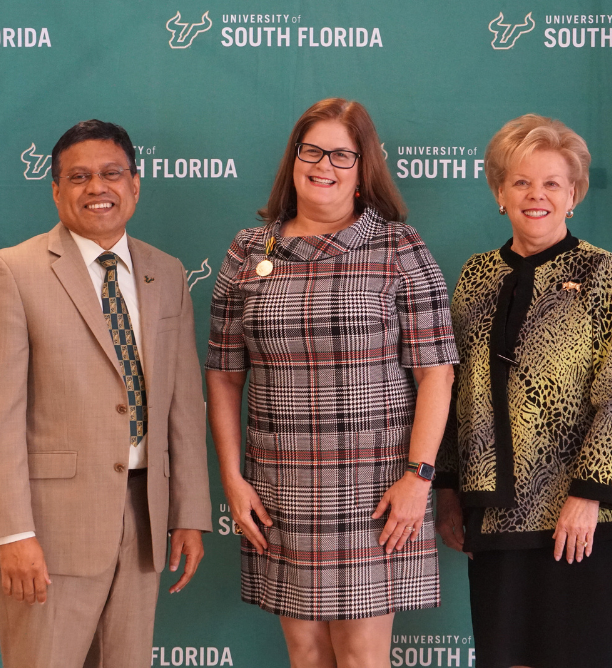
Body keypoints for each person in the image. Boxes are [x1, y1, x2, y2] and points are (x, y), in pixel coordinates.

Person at [206, 98, 458, 668]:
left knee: (362, 655)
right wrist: (231, 477)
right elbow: (223, 377)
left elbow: (436, 374)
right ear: (294, 159)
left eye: (342, 154)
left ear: (363, 167)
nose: (325, 165)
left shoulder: (399, 247)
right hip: (280, 485)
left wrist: (419, 478)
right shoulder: (248, 251)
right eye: (312, 150)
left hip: (377, 488)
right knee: (306, 651)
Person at [0, 119, 212, 668]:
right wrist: (13, 533)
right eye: (78, 177)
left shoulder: (167, 272)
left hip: (145, 524)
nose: (97, 188)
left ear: (136, 184)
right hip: (50, 533)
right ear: (56, 189)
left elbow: (181, 408)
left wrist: (189, 510)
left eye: (110, 174)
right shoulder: (11, 272)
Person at [434, 114, 612, 668]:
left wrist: (587, 495)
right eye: (521, 182)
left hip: (580, 519)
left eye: (552, 183)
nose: (537, 195)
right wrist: (448, 490)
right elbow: (453, 392)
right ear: (499, 194)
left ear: (574, 194)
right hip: (497, 513)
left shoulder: (603, 272)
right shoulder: (475, 276)